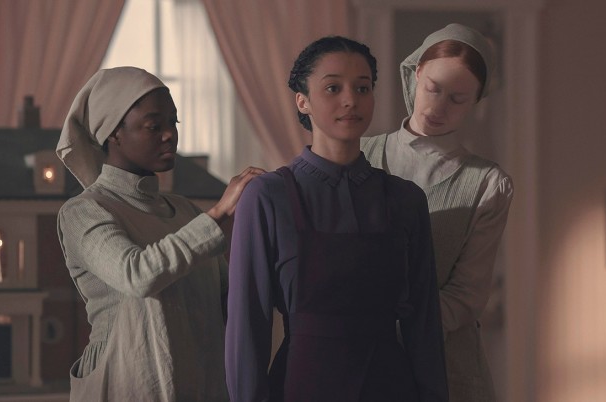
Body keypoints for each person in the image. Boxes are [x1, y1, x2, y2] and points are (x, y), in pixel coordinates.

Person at [226, 36, 448, 402]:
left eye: (362, 88)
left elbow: (424, 327)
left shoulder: (406, 199)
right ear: (303, 101)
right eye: (333, 88)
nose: (350, 100)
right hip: (302, 385)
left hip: (391, 387)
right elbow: (247, 325)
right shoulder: (267, 196)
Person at [56, 66, 263, 401]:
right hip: (123, 381)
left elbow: (230, 298)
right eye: (154, 126)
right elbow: (137, 275)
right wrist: (220, 213)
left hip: (202, 384)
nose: (169, 135)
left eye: (173, 122)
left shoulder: (185, 211)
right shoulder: (84, 211)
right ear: (114, 133)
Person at [361, 23, 514, 401]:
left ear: (476, 102)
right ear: (415, 74)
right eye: (433, 88)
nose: (439, 107)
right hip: (359, 361)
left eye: (458, 99)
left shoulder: (488, 184)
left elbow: (467, 294)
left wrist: (401, 330)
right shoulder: (360, 155)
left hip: (446, 368)